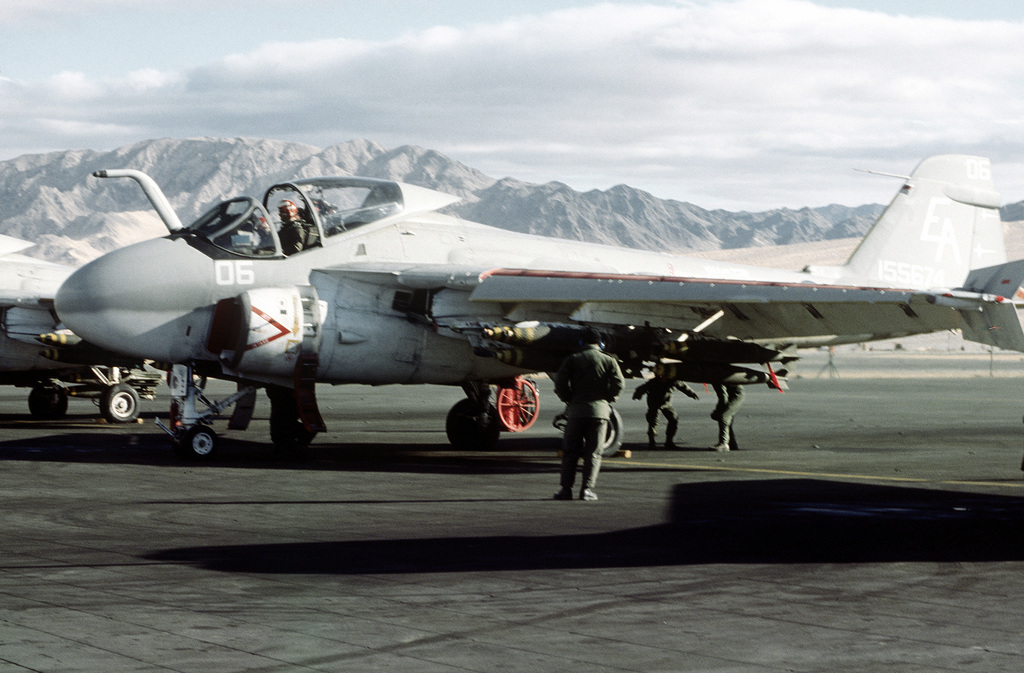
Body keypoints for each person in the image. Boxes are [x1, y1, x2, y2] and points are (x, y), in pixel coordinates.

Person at [552, 328, 625, 501]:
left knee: (570, 452)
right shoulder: (609, 360)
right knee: (593, 453)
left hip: (576, 412)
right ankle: (586, 490)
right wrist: (606, 400)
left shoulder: (572, 359)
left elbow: (560, 384)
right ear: (600, 344)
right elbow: (619, 384)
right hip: (600, 413)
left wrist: (570, 400)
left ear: (581, 343)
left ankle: (566, 490)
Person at [632, 373, 700, 449]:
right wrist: (637, 394)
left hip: (666, 404)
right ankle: (652, 442)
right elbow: (642, 388)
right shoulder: (654, 381)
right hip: (654, 404)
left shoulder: (672, 380)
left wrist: (691, 393)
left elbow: (682, 386)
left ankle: (669, 442)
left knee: (673, 419)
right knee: (653, 422)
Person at [709, 383, 744, 451]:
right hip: (735, 394)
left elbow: (723, 397)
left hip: (737, 395)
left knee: (724, 416)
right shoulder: (717, 376)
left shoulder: (716, 377)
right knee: (727, 419)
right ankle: (732, 444)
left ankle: (723, 444)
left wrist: (719, 412)